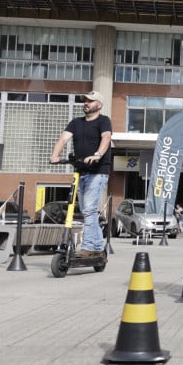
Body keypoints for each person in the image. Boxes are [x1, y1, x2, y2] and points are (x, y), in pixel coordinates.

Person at [49, 90, 112, 258]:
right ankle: (97, 248)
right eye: (85, 100)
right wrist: (55, 155)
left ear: (99, 105)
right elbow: (63, 139)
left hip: (98, 171)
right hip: (81, 172)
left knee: (89, 210)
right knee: (87, 212)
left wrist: (97, 154)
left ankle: (88, 247)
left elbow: (106, 138)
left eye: (90, 101)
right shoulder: (76, 122)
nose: (86, 103)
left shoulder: (104, 121)